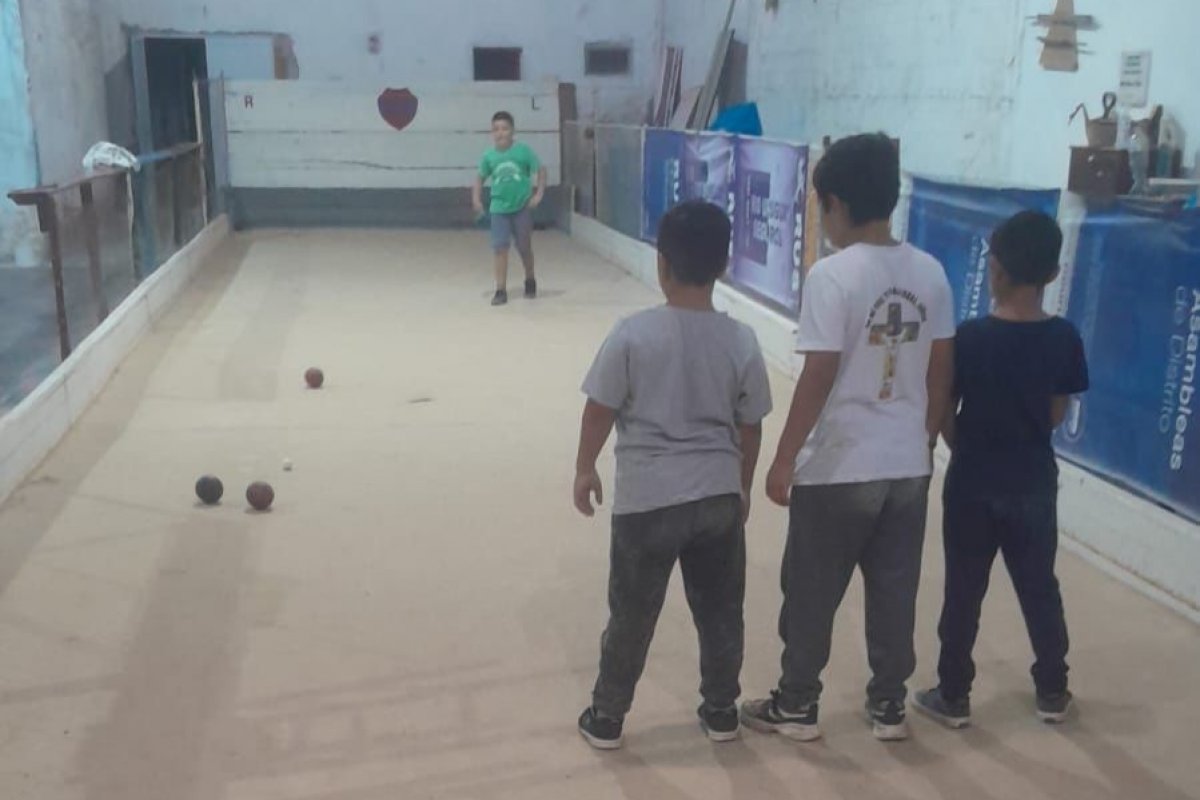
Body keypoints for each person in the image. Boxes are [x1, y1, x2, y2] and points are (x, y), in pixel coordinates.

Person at [741, 133, 955, 743]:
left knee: (811, 588)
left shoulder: (832, 276)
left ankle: (797, 703)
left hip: (839, 466)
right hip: (905, 466)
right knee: (895, 591)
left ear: (834, 203)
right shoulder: (931, 272)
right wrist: (924, 440)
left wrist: (784, 459)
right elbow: (942, 369)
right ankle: (889, 704)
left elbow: (819, 372)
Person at [573, 200, 773, 750]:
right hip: (716, 495)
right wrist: (742, 486)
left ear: (661, 263)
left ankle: (607, 716)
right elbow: (751, 424)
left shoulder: (632, 334)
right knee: (721, 613)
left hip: (647, 501)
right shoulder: (741, 340)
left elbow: (600, 408)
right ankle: (722, 710)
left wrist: (585, 467)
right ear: (724, 265)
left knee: (632, 614)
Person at [914, 211, 1088, 729]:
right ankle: (1052, 689)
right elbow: (1056, 411)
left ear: (995, 269)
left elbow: (945, 408)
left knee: (963, 590)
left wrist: (962, 444)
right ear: (1052, 274)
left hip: (972, 480)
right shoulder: (1064, 337)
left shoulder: (969, 337)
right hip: (1033, 479)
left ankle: (953, 694)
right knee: (1039, 587)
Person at [472, 111, 546, 306]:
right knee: (500, 248)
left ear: (512, 131)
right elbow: (480, 178)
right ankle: (500, 289)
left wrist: (538, 194)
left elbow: (540, 170)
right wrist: (476, 199)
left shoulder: (523, 152)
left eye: (504, 128)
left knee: (524, 247)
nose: (500, 133)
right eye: (496, 129)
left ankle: (530, 278)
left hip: (521, 207)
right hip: (498, 209)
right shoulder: (489, 156)